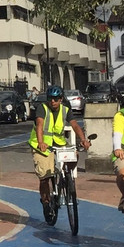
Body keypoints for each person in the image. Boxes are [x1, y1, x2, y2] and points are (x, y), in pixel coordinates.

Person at [29, 85, 91, 219]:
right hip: (42, 146)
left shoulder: (65, 110)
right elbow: (39, 125)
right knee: (45, 176)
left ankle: (66, 179)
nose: (53, 102)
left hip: (59, 143)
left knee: (75, 154)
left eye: (56, 99)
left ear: (61, 99)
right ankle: (46, 202)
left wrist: (83, 139)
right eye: (51, 99)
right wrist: (41, 142)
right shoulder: (42, 108)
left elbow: (74, 125)